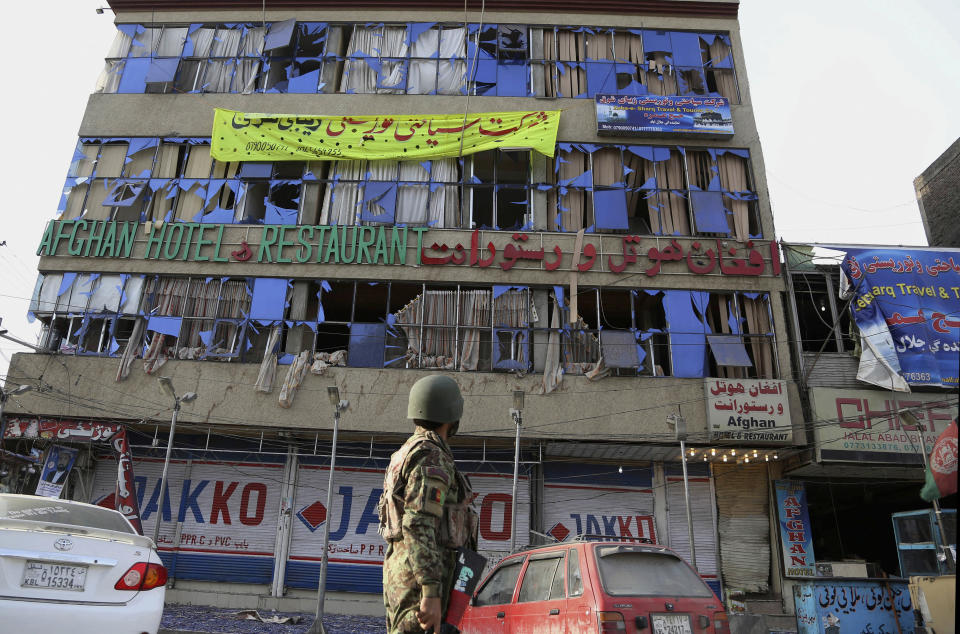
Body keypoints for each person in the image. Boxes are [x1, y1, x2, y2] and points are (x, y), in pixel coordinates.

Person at [379, 375, 478, 634]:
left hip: (406, 573)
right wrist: (431, 592)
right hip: (419, 583)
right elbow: (418, 522)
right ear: (452, 415)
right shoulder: (431, 457)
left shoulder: (408, 451)